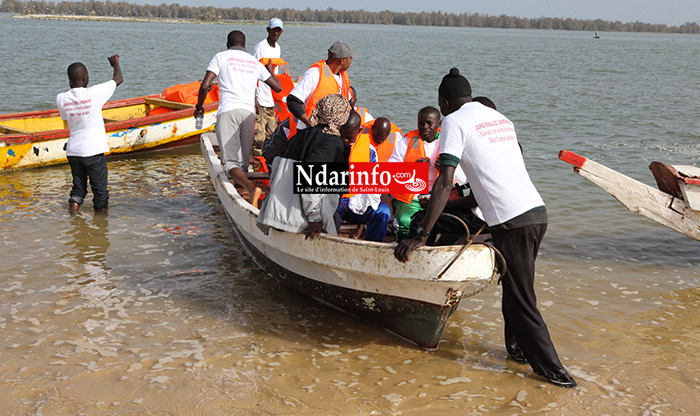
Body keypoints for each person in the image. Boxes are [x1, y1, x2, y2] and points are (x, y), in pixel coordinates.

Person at [394, 68, 576, 389]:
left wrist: (422, 235)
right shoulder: (500, 119)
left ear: (444, 102)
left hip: (512, 222)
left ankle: (555, 374)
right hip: (536, 213)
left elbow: (445, 180)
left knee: (523, 300)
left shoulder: (454, 121)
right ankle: (517, 351)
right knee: (515, 287)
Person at [195, 30, 281, 205]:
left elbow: (205, 85)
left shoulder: (221, 57)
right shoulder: (254, 62)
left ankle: (250, 189)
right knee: (243, 160)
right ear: (244, 45)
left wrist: (199, 106)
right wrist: (269, 71)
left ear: (228, 45)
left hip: (229, 111)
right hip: (249, 114)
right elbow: (277, 87)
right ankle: (242, 186)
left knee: (229, 163)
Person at [257, 94, 352, 239]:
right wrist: (314, 218)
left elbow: (276, 167)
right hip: (300, 221)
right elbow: (310, 177)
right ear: (341, 118)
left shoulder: (300, 135)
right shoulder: (333, 143)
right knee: (334, 222)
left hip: (276, 216)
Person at [389, 106, 476, 241]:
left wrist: (448, 169)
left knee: (456, 225)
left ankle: (439, 251)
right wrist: (412, 169)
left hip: (442, 196)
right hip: (413, 196)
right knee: (404, 221)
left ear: (439, 124)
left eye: (429, 123)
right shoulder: (406, 142)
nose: (424, 127)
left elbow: (464, 174)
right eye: (421, 123)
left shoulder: (449, 142)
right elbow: (390, 172)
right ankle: (401, 248)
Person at [56, 55, 123, 213]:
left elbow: (66, 118)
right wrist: (115, 64)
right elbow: (118, 78)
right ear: (86, 78)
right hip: (92, 151)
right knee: (100, 191)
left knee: (78, 190)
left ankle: (74, 218)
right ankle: (100, 228)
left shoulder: (61, 98)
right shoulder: (94, 94)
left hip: (73, 152)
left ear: (70, 81)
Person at [337, 114, 391, 243]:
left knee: (383, 212)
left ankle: (372, 245)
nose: (345, 140)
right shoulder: (331, 146)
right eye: (342, 135)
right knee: (330, 213)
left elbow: (375, 182)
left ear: (359, 131)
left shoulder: (369, 150)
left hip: (359, 199)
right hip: (337, 200)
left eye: (348, 137)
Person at [286, 41, 354, 138]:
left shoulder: (343, 77)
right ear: (342, 60)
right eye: (350, 59)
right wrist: (310, 124)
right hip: (309, 133)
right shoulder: (315, 74)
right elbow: (292, 101)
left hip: (331, 134)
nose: (351, 62)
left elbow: (350, 103)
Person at [253, 18, 284, 153]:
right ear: (268, 30)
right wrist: (254, 98)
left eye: (278, 31)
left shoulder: (277, 48)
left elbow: (275, 75)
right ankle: (253, 167)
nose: (275, 33)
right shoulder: (261, 47)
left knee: (272, 136)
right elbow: (252, 71)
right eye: (273, 30)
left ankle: (266, 166)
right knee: (258, 138)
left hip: (272, 99)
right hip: (260, 98)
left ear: (281, 32)